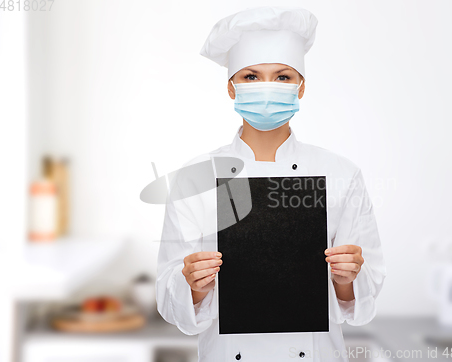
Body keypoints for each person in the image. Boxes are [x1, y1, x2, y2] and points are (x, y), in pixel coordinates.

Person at [156, 6, 387, 362]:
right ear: (232, 88)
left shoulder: (340, 173)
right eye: (250, 76)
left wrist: (346, 278)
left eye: (282, 77)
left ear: (301, 87)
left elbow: (360, 305)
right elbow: (172, 306)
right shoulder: (195, 178)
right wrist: (192, 285)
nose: (266, 88)